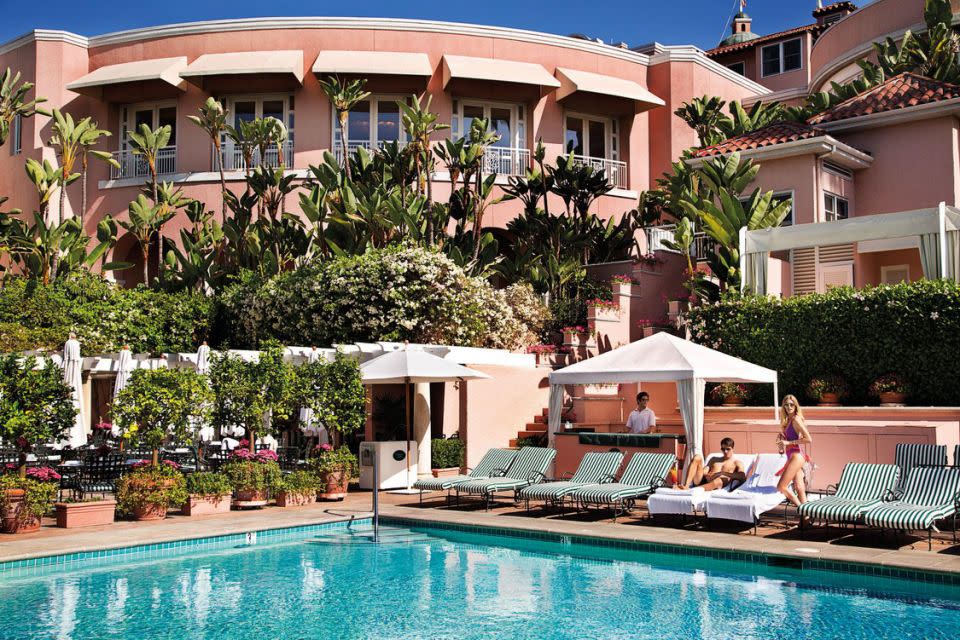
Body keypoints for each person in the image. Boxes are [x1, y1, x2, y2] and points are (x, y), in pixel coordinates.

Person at [775, 394, 812, 508]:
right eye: (786, 405)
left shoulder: (796, 419)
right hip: (791, 456)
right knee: (799, 488)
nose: (789, 407)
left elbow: (809, 439)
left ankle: (802, 510)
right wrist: (782, 440)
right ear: (784, 407)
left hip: (797, 456)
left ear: (796, 406)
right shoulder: (789, 420)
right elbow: (786, 444)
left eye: (791, 404)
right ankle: (805, 519)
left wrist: (788, 443)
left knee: (781, 486)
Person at [674, 437, 746, 491]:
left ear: (733, 449)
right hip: (703, 480)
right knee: (697, 457)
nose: (725, 451)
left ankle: (690, 490)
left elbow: (742, 476)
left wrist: (721, 473)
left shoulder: (737, 463)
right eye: (723, 449)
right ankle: (686, 486)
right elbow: (705, 470)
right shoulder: (714, 459)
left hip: (716, 484)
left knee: (719, 481)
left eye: (728, 449)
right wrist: (707, 475)